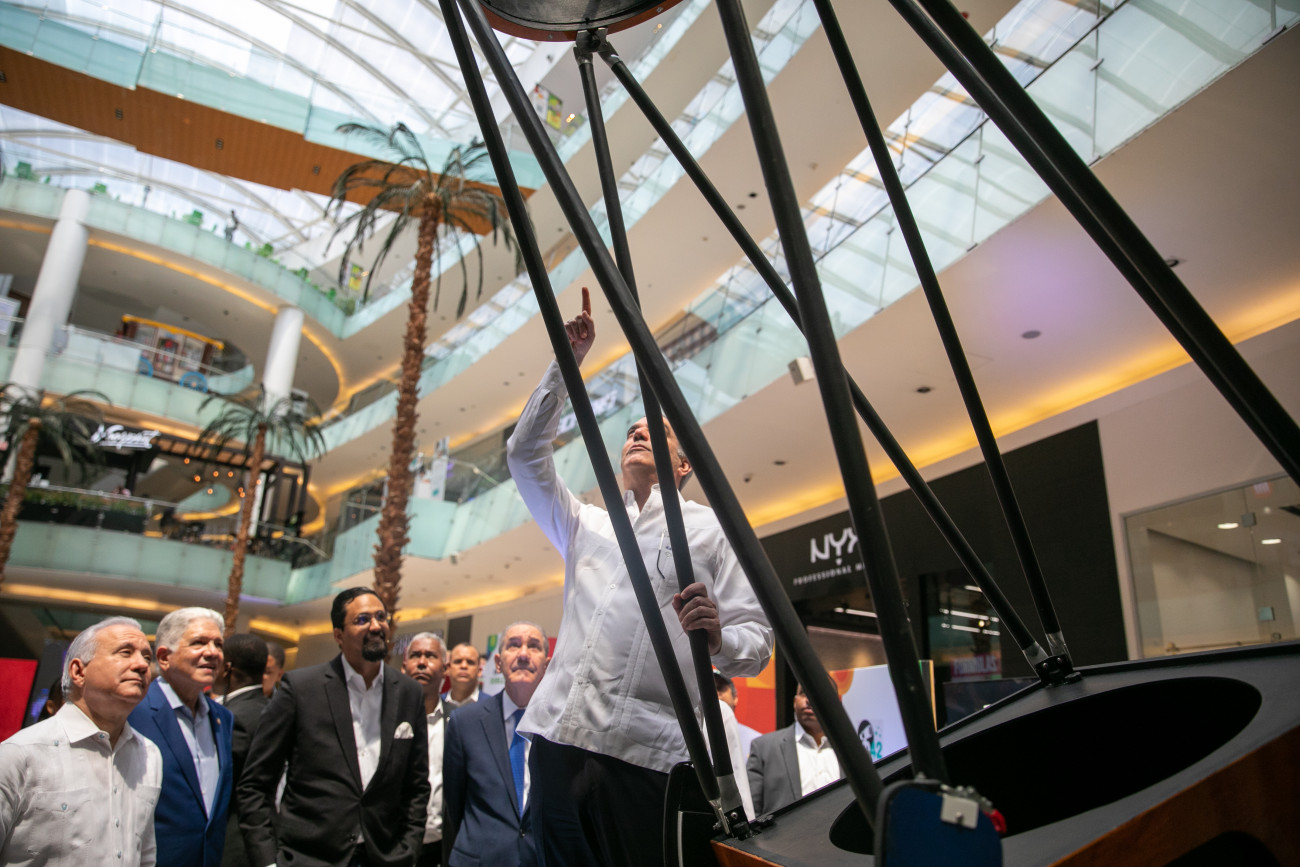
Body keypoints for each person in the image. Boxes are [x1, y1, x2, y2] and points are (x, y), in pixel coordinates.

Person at [506, 287, 773, 866]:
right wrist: (567, 365)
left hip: (645, 759)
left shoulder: (713, 531)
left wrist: (719, 637)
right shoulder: (587, 524)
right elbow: (524, 456)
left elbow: (757, 644)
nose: (637, 433)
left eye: (656, 430)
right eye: (631, 429)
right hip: (557, 741)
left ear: (685, 464)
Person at [237, 587, 430, 866]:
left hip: (384, 857)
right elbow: (255, 784)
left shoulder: (409, 693)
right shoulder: (301, 688)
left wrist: (408, 849)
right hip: (309, 858)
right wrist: (268, 860)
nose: (376, 626)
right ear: (338, 635)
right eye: (362, 619)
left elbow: (416, 785)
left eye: (381, 617)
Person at [0, 616, 163, 866]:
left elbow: (145, 855)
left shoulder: (149, 755)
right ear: (78, 671)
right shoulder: (20, 754)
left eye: (146, 657)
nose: (142, 665)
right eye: (125, 652)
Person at [129, 607, 234, 867]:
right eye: (199, 642)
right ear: (164, 657)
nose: (212, 652)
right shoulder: (134, 712)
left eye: (218, 644)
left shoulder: (223, 718)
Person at [442, 622, 549, 867]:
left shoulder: (561, 727)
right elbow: (454, 804)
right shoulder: (464, 722)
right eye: (514, 645)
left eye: (533, 646)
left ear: (547, 664)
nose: (523, 654)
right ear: (498, 663)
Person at [746, 680, 843, 816]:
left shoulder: (853, 754)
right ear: (794, 701)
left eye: (818, 692)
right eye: (803, 693)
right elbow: (751, 813)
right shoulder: (764, 748)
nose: (809, 700)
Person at [219, 633, 268, 867]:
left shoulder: (233, 717)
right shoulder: (272, 708)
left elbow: (223, 780)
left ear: (227, 668)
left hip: (234, 835)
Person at [401, 632, 449, 867]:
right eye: (415, 655)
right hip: (391, 845)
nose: (422, 662)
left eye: (430, 655)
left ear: (445, 668)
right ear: (403, 666)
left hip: (440, 848)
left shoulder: (460, 723)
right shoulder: (383, 718)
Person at [715, 670, 760, 760]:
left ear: (735, 697)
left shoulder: (756, 742)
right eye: (708, 689)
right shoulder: (691, 741)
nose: (715, 693)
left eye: (720, 688)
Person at [442, 643, 482, 710]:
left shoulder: (493, 706)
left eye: (470, 662)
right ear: (448, 668)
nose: (464, 666)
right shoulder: (436, 704)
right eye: (458, 661)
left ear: (479, 670)